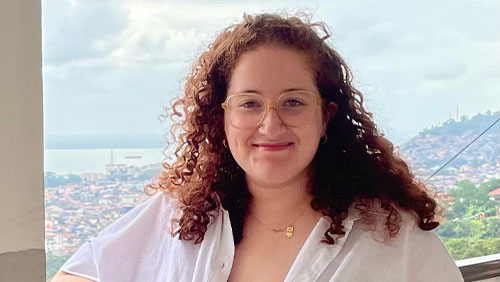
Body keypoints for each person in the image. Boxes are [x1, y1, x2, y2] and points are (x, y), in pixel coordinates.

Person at [52, 13, 463, 282]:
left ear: (327, 116)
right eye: (249, 103)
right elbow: (79, 274)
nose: (271, 124)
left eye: (294, 102)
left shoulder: (394, 238)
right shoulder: (180, 217)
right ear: (222, 116)